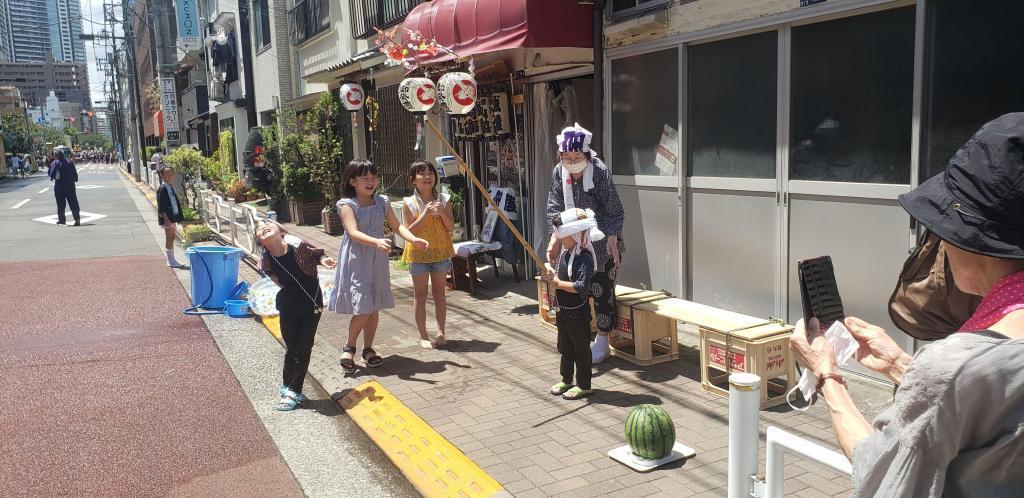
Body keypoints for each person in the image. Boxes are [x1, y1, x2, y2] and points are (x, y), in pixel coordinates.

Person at [789, 112, 1024, 497]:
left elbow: (881, 475)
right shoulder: (973, 368)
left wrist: (825, 374)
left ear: (972, 241)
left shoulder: (955, 366)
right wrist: (901, 366)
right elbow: (984, 411)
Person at [328, 159, 428, 373]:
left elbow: (398, 225)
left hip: (378, 259)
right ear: (353, 181)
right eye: (365, 178)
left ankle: (368, 349)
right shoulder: (347, 204)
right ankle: (349, 346)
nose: (371, 182)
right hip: (357, 259)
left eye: (373, 177)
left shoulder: (382, 201)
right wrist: (375, 241)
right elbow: (352, 232)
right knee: (364, 306)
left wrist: (413, 239)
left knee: (373, 306)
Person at [546, 123, 625, 363]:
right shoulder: (559, 172)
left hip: (602, 242)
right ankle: (578, 337)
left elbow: (615, 210)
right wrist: (555, 241)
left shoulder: (599, 171)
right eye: (567, 157)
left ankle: (602, 338)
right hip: (572, 243)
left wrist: (612, 236)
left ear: (587, 155)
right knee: (576, 289)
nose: (572, 161)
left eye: (577, 156)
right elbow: (555, 210)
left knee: (602, 290)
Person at [256, 219, 336, 411]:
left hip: (311, 304)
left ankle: (295, 390)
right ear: (260, 240)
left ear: (280, 230)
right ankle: (287, 384)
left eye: (267, 223)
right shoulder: (267, 258)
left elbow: (317, 254)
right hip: (288, 305)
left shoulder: (296, 244)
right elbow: (271, 275)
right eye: (258, 228)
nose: (263, 227)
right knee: (292, 348)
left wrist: (324, 261)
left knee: (304, 347)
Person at [543, 208, 604, 400]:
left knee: (581, 348)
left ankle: (584, 384)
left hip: (578, 312)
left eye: (565, 235)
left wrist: (558, 284)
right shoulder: (566, 253)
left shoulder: (584, 257)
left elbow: (581, 286)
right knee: (565, 347)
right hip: (563, 310)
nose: (561, 239)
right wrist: (550, 272)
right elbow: (558, 277)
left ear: (577, 234)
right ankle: (566, 379)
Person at [401, 160, 456, 349]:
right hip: (418, 255)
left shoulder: (444, 198)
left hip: (440, 253)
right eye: (422, 173)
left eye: (430, 173)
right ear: (413, 180)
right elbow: (409, 231)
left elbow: (450, 227)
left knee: (440, 294)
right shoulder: (409, 202)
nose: (427, 177)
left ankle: (441, 333)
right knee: (420, 296)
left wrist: (441, 213)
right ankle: (423, 335)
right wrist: (425, 213)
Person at [156, 165, 186, 268]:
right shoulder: (163, 188)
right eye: (166, 173)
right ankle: (170, 261)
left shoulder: (170, 186)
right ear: (162, 175)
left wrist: (180, 218)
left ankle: (172, 259)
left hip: (173, 216)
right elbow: (161, 205)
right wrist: (166, 219)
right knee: (169, 238)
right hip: (167, 218)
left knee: (172, 237)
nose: (169, 175)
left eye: (171, 173)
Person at [48, 149, 80, 226]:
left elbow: (51, 173)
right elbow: (75, 174)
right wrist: (75, 179)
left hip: (59, 187)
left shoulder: (55, 163)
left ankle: (62, 220)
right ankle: (77, 218)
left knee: (60, 204)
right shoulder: (70, 162)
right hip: (70, 186)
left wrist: (52, 177)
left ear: (56, 156)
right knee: (73, 202)